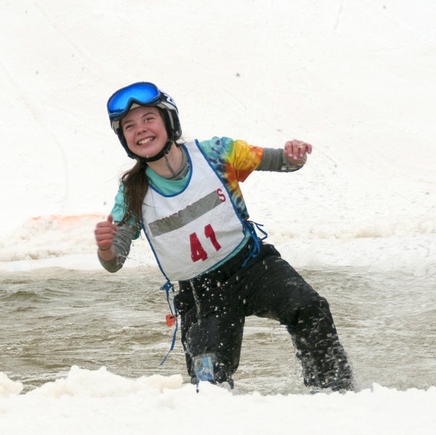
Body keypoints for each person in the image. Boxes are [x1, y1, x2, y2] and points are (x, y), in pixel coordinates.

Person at [93, 81, 353, 391]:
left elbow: (280, 161)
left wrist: (293, 156)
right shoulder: (133, 190)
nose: (140, 130)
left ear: (168, 121)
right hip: (201, 296)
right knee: (209, 385)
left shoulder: (216, 153)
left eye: (149, 119)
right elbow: (113, 262)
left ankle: (334, 393)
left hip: (253, 266)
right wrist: (107, 247)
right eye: (129, 126)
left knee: (309, 307)